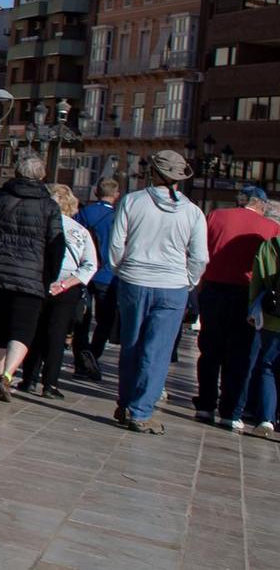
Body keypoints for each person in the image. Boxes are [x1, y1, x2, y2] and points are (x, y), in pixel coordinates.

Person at [109, 149, 208, 434]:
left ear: (152, 173)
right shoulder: (193, 212)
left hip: (134, 280)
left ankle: (125, 401)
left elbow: (117, 244)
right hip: (173, 285)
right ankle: (141, 411)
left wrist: (121, 270)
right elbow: (199, 256)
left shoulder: (132, 202)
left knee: (131, 344)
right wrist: (188, 281)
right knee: (158, 350)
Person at [0, 151, 63, 403]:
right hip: (32, 277)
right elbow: (56, 245)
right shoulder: (49, 206)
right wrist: (50, 275)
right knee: (23, 329)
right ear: (42, 176)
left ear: (17, 173)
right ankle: (7, 376)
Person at [194, 183, 280, 428]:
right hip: (247, 295)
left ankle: (205, 406)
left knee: (210, 349)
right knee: (242, 356)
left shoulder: (215, 217)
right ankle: (231, 412)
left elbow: (202, 253)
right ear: (261, 205)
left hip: (213, 289)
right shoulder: (271, 227)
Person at [18, 183, 98, 399]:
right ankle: (50, 384)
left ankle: (29, 379)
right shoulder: (80, 231)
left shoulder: (39, 225)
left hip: (39, 282)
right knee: (57, 335)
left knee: (35, 332)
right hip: (67, 288)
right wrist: (66, 284)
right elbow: (90, 265)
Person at [71, 175, 122, 378]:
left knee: (81, 320)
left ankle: (80, 360)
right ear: (116, 195)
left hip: (84, 273)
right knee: (105, 320)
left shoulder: (84, 213)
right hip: (108, 276)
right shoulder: (117, 217)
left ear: (95, 193)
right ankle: (92, 355)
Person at [244, 202, 280, 439]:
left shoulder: (268, 247)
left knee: (267, 367)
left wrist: (252, 309)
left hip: (272, 317)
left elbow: (256, 282)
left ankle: (266, 419)